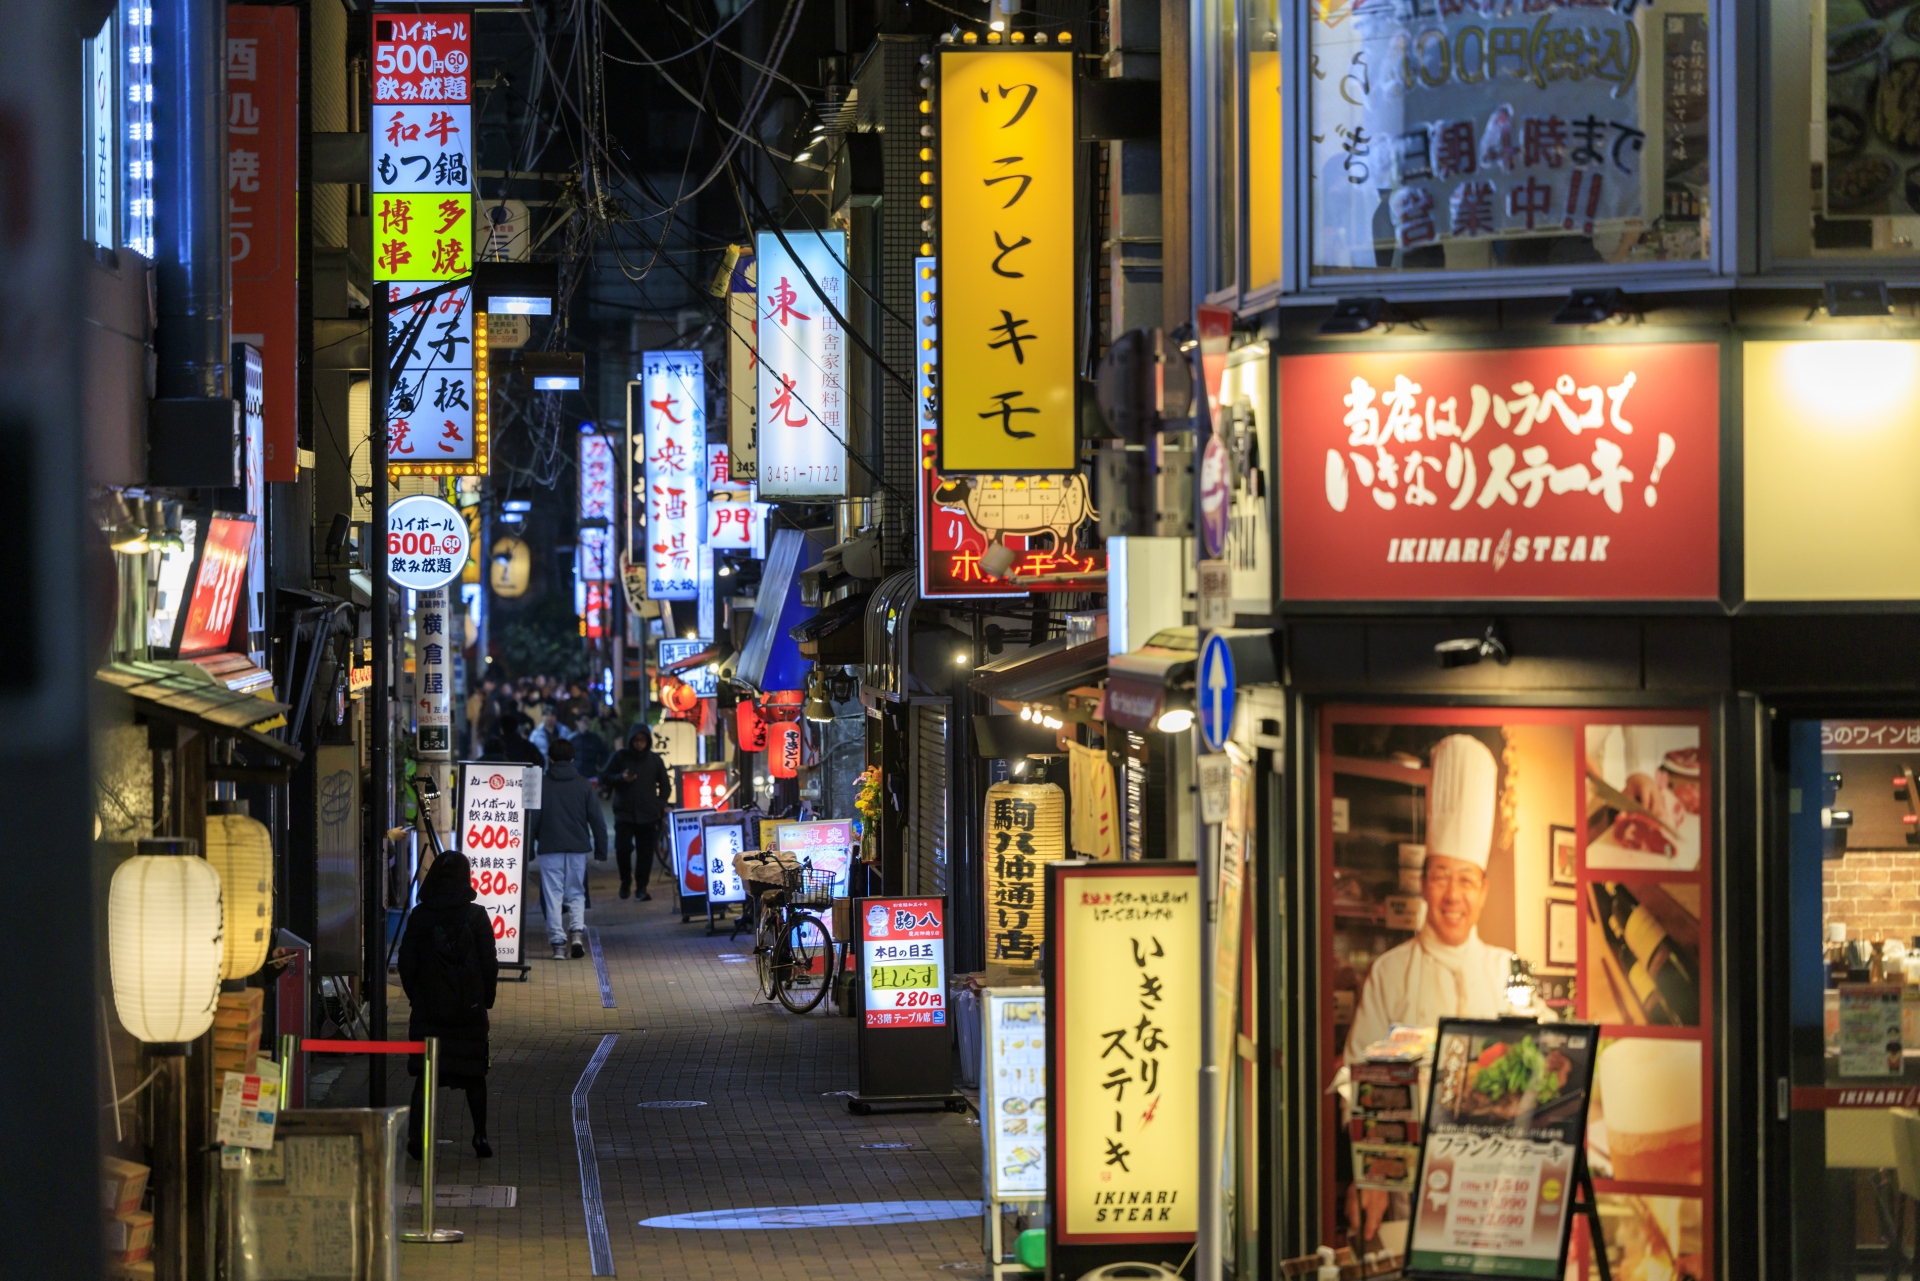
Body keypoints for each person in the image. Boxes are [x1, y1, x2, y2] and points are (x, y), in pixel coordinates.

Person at [397, 851, 498, 1160]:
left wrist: (417, 996)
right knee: (474, 1074)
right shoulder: (476, 916)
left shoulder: (420, 916)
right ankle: (480, 1136)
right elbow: (489, 963)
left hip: (429, 1010)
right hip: (469, 1010)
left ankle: (416, 1137)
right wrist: (485, 1000)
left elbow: (406, 963)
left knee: (426, 1075)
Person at [532, 737, 606, 958]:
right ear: (573, 759)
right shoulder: (584, 785)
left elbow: (532, 820)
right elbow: (598, 820)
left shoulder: (541, 785)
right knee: (576, 892)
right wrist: (601, 850)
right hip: (577, 849)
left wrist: (527, 849)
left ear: (550, 758)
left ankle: (558, 944)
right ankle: (576, 933)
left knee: (552, 895)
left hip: (550, 848)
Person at [600, 724, 673, 900]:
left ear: (648, 741)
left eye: (643, 740)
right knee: (622, 849)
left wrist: (658, 805)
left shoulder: (655, 760)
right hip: (624, 813)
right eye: (636, 740)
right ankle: (625, 881)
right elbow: (605, 777)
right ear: (631, 740)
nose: (639, 743)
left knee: (645, 853)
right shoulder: (620, 757)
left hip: (648, 814)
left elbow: (665, 786)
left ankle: (641, 887)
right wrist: (621, 777)